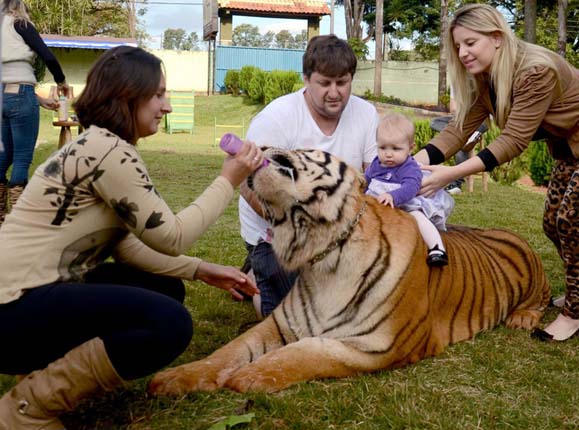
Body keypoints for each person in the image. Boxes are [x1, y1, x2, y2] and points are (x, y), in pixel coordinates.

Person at [0, 46, 263, 429]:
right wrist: (229, 180)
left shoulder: (97, 144)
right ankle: (26, 408)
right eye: (158, 94)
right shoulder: (108, 150)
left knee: (164, 289)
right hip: (12, 311)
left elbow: (126, 247)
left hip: (23, 303)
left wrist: (202, 270)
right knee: (168, 322)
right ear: (127, 96)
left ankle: (43, 372)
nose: (167, 106)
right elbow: (171, 237)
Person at [414, 3, 579, 342]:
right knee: (552, 223)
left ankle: (572, 315)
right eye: (458, 46)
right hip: (571, 145)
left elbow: (514, 140)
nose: (462, 52)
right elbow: (459, 129)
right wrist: (411, 162)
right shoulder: (488, 78)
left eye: (470, 43)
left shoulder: (535, 70)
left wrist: (449, 174)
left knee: (570, 221)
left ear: (495, 37)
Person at [238, 34, 379, 317]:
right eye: (324, 83)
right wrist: (302, 227)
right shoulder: (277, 117)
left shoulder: (366, 113)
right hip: (279, 232)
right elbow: (246, 184)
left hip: (341, 229)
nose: (334, 92)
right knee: (292, 316)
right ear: (306, 79)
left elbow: (375, 177)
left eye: (342, 82)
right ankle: (257, 272)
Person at [1, 0, 70, 225]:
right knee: (21, 158)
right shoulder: (20, 24)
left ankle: (2, 216)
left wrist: (38, 99)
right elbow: (47, 56)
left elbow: (8, 83)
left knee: (4, 156)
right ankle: (19, 221)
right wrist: (61, 81)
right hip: (20, 93)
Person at [365, 113, 453, 266]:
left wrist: (393, 196)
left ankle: (437, 248)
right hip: (378, 203)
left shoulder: (409, 167)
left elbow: (411, 187)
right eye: (382, 147)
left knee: (419, 219)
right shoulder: (376, 163)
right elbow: (366, 180)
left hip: (406, 203)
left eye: (396, 148)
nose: (388, 154)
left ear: (410, 149)